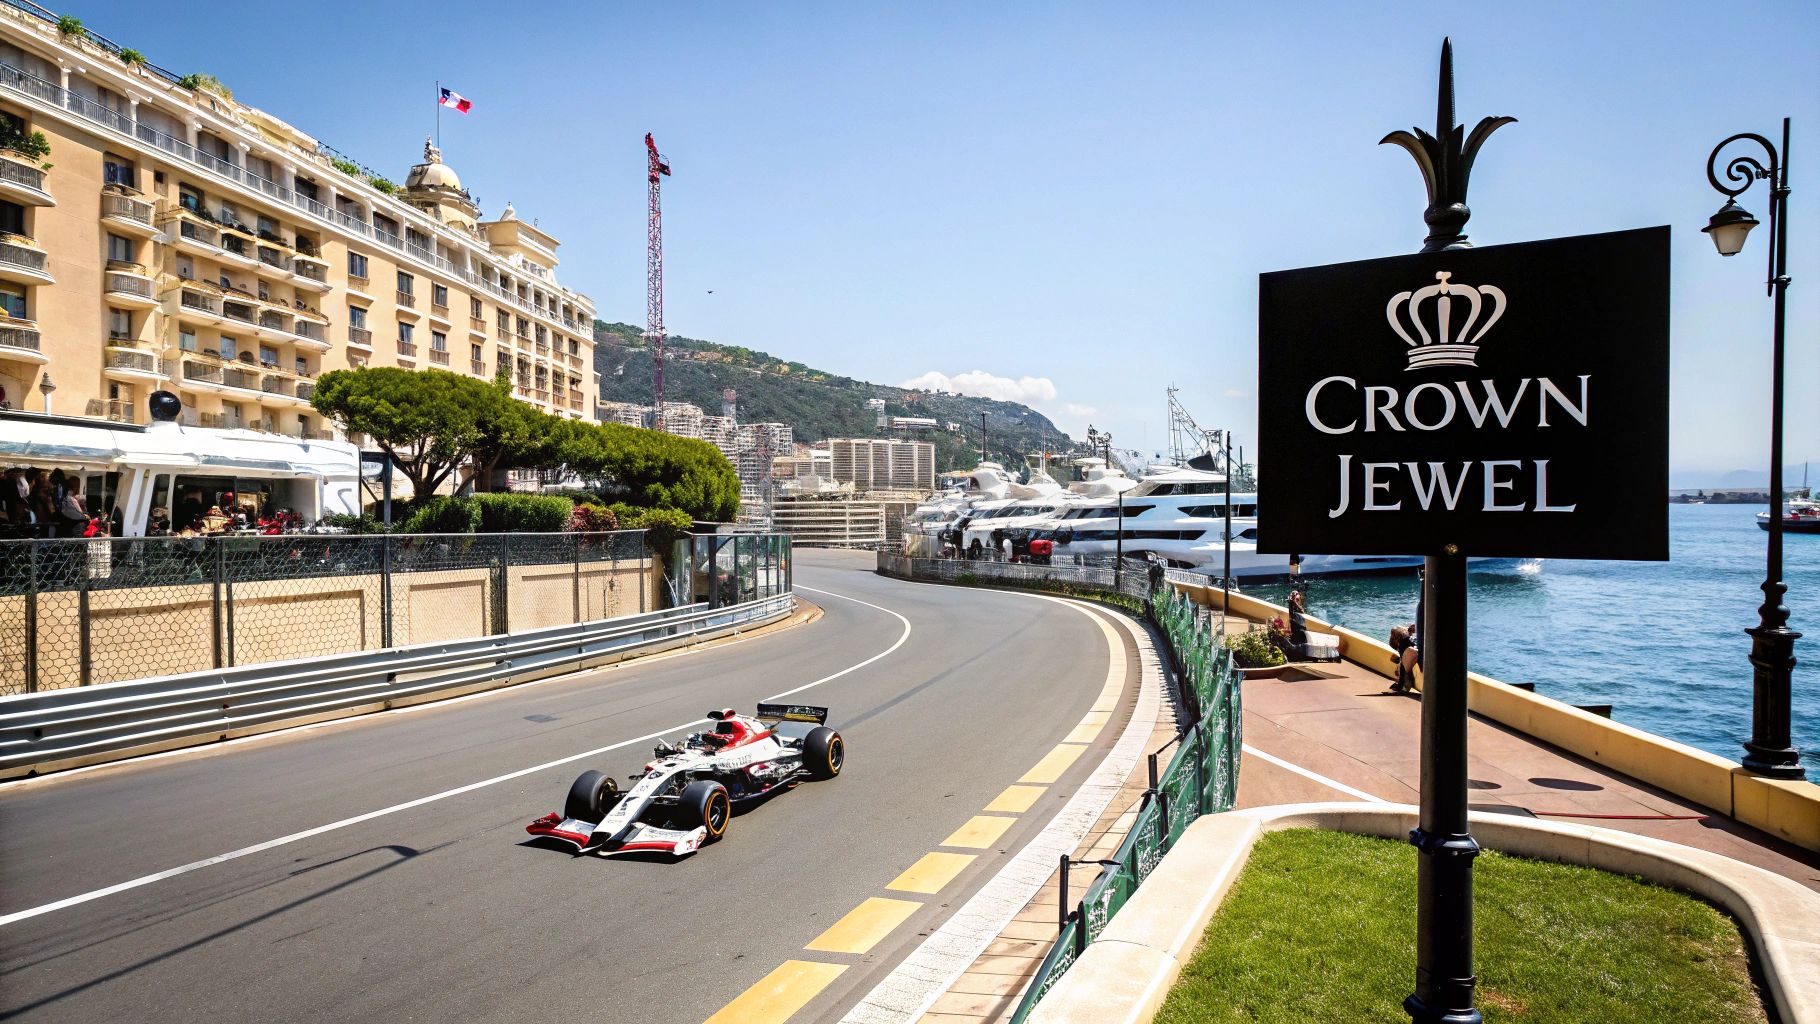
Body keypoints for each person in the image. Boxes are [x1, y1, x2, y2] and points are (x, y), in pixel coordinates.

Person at [1388, 576, 1424, 692]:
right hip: (1418, 644)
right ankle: (1402, 672)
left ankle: (1403, 681)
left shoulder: (1424, 606)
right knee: (1397, 631)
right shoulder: (1423, 607)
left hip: (1419, 649)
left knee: (1406, 646)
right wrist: (1412, 629)